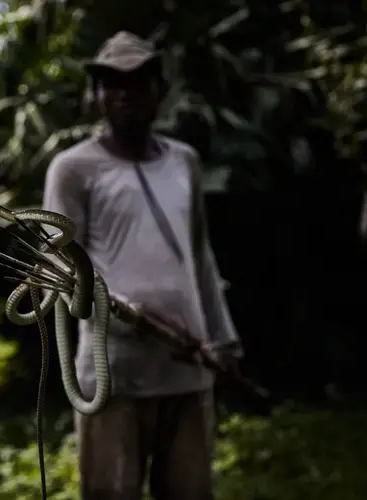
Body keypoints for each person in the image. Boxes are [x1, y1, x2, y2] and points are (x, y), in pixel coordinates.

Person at [42, 31, 242, 500]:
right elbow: (60, 269)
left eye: (138, 82)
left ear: (160, 90)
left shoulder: (184, 161)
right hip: (115, 374)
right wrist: (136, 317)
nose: (124, 94)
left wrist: (224, 338)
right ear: (97, 95)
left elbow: (200, 254)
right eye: (111, 83)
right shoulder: (73, 168)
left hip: (187, 366)